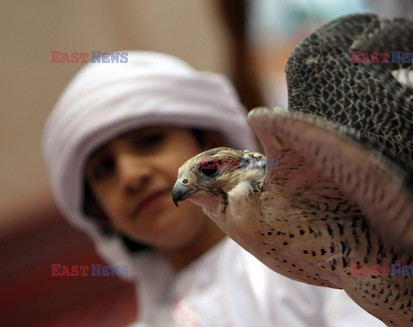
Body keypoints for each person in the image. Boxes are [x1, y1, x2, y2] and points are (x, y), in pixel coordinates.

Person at [42, 51, 385, 326]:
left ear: (212, 142)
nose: (131, 175)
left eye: (150, 141)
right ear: (100, 212)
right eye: (104, 169)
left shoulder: (315, 248)